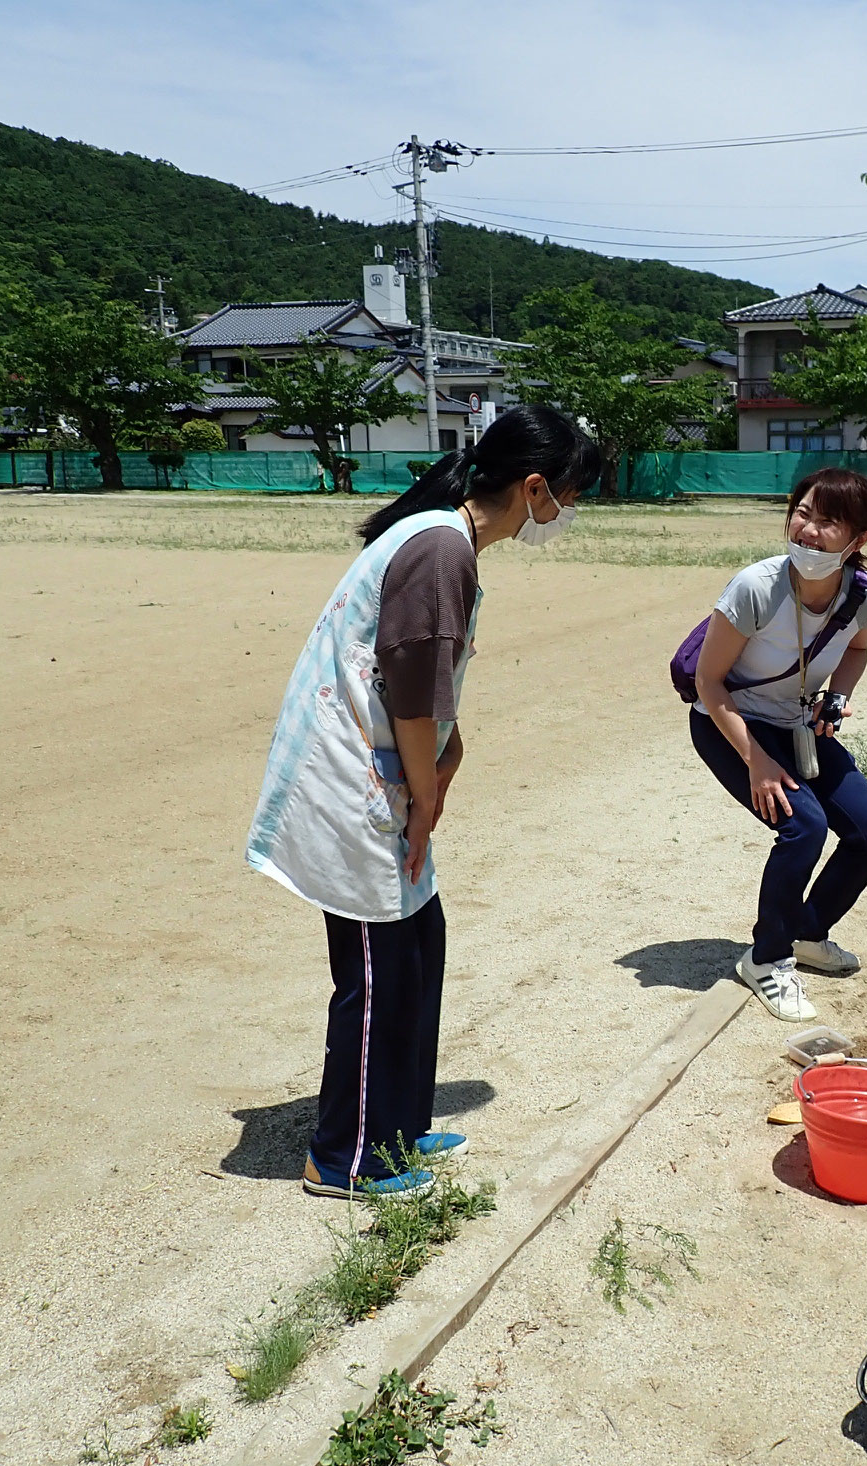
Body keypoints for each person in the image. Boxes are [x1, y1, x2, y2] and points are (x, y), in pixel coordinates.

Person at [245, 406, 601, 1198]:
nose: (567, 514)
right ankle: (346, 1158)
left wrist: (448, 750)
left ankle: (398, 1127)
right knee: (378, 976)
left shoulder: (445, 536)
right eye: (569, 496)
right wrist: (427, 791)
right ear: (535, 487)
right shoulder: (442, 545)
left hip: (387, 772)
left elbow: (421, 676)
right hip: (358, 785)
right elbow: (408, 693)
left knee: (418, 948)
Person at [690, 468, 867, 1022]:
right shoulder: (755, 587)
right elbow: (708, 684)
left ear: (859, 540)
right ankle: (766, 959)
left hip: (797, 727)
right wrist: (756, 760)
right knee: (802, 826)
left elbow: (855, 651)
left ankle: (808, 933)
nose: (807, 529)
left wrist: (836, 697)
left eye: (828, 521)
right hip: (727, 721)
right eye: (801, 512)